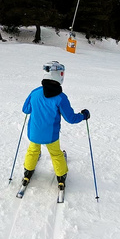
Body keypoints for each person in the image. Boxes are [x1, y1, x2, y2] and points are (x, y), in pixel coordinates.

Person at [21, 61, 90, 190]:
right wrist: (83, 115)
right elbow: (71, 118)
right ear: (59, 75)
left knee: (33, 150)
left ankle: (27, 171)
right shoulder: (60, 97)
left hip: (34, 133)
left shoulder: (35, 92)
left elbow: (26, 109)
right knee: (56, 153)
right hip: (51, 135)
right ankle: (61, 175)